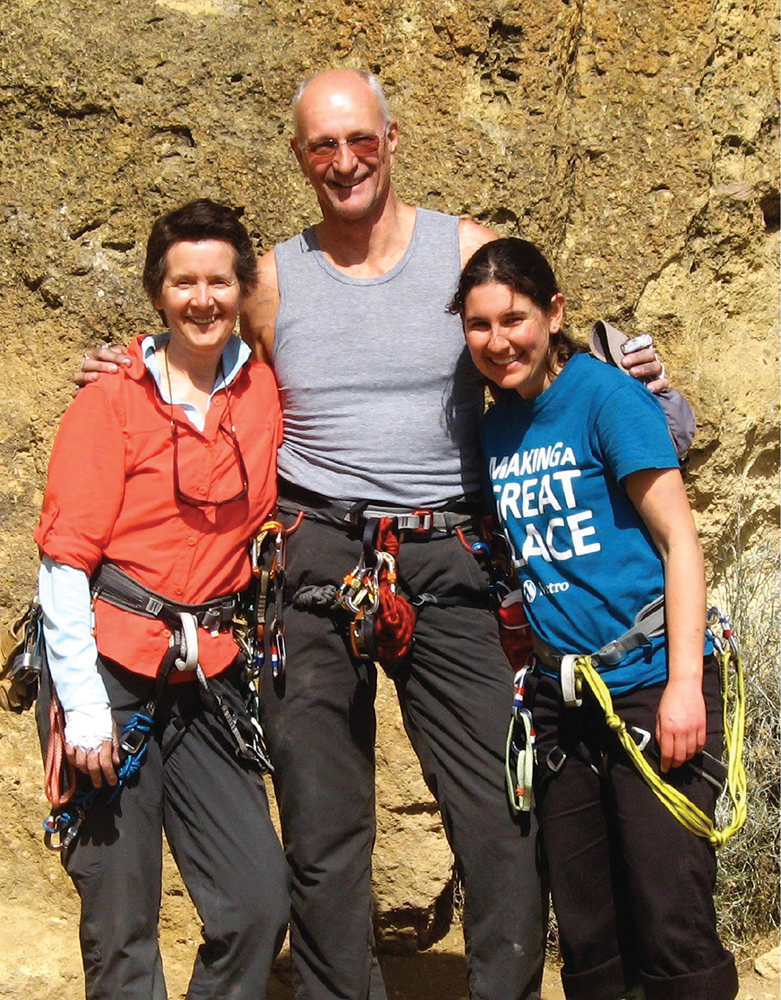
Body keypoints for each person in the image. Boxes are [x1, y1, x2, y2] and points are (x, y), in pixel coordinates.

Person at [76, 70, 667, 1000]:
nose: (344, 161)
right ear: (300, 156)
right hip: (314, 554)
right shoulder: (270, 278)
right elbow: (204, 359)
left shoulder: (463, 248)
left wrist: (643, 380)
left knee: (497, 813)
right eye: (322, 145)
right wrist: (133, 360)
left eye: (360, 139)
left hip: (451, 555)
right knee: (322, 823)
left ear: (391, 139)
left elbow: (535, 353)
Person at [452, 236, 738, 1000]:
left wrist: (684, 687)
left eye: (513, 318)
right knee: (585, 929)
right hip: (561, 701)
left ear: (553, 312)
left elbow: (680, 542)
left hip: (648, 683)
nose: (497, 341)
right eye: (478, 326)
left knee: (669, 915)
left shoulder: (607, 400)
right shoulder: (495, 428)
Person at [36, 199, 289, 1000]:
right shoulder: (110, 398)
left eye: (220, 281)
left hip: (205, 675)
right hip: (108, 671)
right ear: (157, 292)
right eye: (184, 282)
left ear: (244, 289)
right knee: (121, 925)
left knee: (255, 904)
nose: (203, 299)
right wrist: (80, 705)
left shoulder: (262, 392)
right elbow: (64, 561)